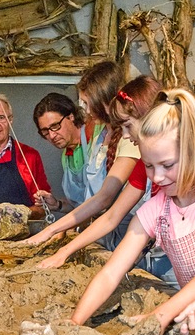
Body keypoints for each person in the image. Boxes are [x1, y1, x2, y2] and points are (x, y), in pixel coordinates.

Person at [70, 88, 195, 335]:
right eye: (149, 165)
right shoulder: (157, 209)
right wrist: (75, 320)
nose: (157, 177)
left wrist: (159, 315)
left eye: (167, 165)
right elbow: (111, 272)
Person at [34, 76, 163, 270]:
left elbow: (105, 201)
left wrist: (56, 234)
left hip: (157, 251)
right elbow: (111, 216)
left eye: (87, 104)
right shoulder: (140, 167)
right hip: (137, 245)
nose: (86, 112)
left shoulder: (129, 148)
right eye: (45, 132)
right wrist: (62, 240)